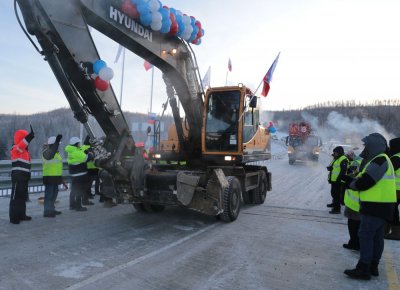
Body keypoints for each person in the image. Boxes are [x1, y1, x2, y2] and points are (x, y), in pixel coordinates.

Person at [343, 133, 396, 280]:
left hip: (375, 206)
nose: (365, 148)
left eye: (367, 145)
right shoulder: (382, 159)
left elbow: (366, 182)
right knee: (377, 237)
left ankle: (363, 269)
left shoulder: (379, 161)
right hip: (382, 206)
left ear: (374, 146)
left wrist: (351, 183)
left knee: (365, 235)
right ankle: (373, 267)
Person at [9, 126, 35, 224]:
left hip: (24, 177)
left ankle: (22, 215)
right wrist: (29, 137)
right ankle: (14, 218)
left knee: (22, 197)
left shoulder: (25, 151)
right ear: (21, 139)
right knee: (15, 198)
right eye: (25, 138)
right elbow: (21, 145)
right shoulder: (15, 148)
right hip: (17, 177)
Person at [65, 137, 93, 211]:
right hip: (79, 174)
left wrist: (84, 152)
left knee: (74, 190)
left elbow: (79, 157)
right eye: (78, 143)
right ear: (75, 144)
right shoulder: (76, 152)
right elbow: (86, 159)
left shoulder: (71, 151)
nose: (79, 144)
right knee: (79, 190)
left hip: (74, 174)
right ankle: (78, 206)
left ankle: (72, 205)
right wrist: (90, 154)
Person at [342, 151, 363, 251]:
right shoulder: (363, 161)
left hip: (355, 201)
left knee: (354, 225)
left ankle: (355, 244)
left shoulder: (357, 162)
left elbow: (352, 175)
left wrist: (347, 180)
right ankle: (354, 243)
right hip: (354, 200)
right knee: (354, 224)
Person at [42, 134, 63, 217]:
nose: (58, 146)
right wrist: (57, 142)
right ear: (53, 144)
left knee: (54, 195)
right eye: (57, 144)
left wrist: (60, 177)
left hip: (55, 177)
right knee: (49, 195)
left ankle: (51, 209)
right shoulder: (46, 152)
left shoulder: (56, 153)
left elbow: (57, 165)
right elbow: (50, 155)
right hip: (49, 177)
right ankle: (47, 212)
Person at [385, 137, 400, 240]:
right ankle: (388, 230)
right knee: (392, 210)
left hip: (396, 189)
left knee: (392, 210)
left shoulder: (396, 158)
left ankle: (395, 233)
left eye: (391, 145)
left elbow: (386, 171)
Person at [326, 146, 348, 214]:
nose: (334, 153)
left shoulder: (343, 159)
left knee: (337, 195)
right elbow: (334, 167)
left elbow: (343, 170)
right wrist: (330, 168)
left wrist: (339, 179)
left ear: (339, 152)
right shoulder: (336, 158)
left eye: (335, 152)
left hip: (338, 181)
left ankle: (337, 209)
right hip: (334, 180)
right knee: (333, 193)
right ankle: (334, 204)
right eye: (334, 152)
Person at [80, 136, 95, 206]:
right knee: (88, 184)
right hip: (91, 167)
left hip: (85, 168)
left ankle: (87, 196)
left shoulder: (82, 147)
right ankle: (86, 198)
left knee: (86, 184)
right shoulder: (91, 147)